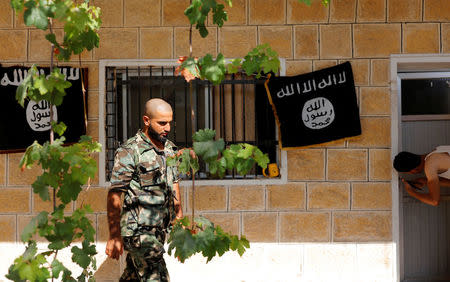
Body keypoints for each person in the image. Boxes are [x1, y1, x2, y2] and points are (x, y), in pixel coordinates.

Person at [106, 98, 183, 281]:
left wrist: (179, 224)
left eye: (170, 123)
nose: (168, 128)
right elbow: (115, 193)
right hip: (138, 232)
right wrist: (114, 235)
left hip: (158, 230)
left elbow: (174, 185)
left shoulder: (170, 150)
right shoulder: (130, 151)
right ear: (147, 120)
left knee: (133, 276)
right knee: (157, 276)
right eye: (162, 123)